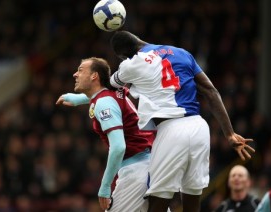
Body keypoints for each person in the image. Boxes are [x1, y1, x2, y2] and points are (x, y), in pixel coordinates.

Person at [109, 30, 256, 212]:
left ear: (124, 56)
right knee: (192, 198)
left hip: (170, 129)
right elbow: (211, 92)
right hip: (199, 128)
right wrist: (229, 133)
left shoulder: (130, 64)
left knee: (158, 198)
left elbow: (112, 84)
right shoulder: (182, 53)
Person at [56, 57, 155, 211]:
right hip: (149, 165)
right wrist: (78, 99)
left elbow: (118, 147)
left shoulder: (103, 103)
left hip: (136, 172)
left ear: (94, 76)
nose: (75, 74)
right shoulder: (111, 92)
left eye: (81, 70)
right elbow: (102, 96)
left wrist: (105, 186)